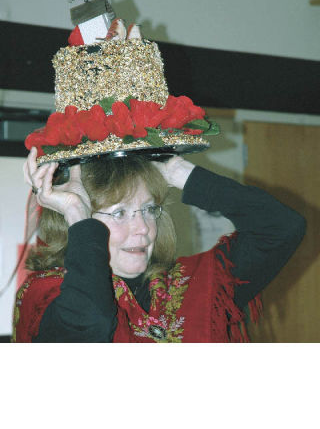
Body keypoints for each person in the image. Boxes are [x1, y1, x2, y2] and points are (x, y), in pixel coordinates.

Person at [13, 145, 306, 343]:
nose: (143, 228)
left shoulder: (197, 284)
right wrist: (77, 211)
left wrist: (178, 172)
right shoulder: (47, 293)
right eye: (119, 213)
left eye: (149, 209)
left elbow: (282, 227)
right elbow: (90, 323)